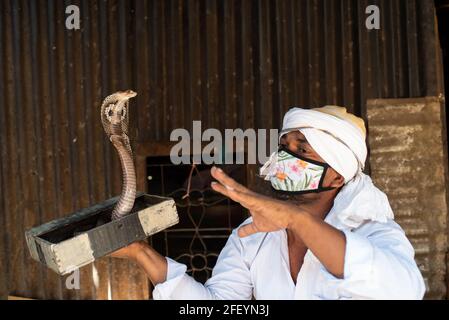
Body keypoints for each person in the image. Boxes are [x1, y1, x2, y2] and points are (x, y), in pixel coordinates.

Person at [111, 106, 425, 300]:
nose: (287, 157)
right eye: (284, 146)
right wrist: (142, 253)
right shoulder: (254, 235)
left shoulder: (373, 231)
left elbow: (404, 292)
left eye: (303, 150)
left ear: (337, 176)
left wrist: (296, 220)